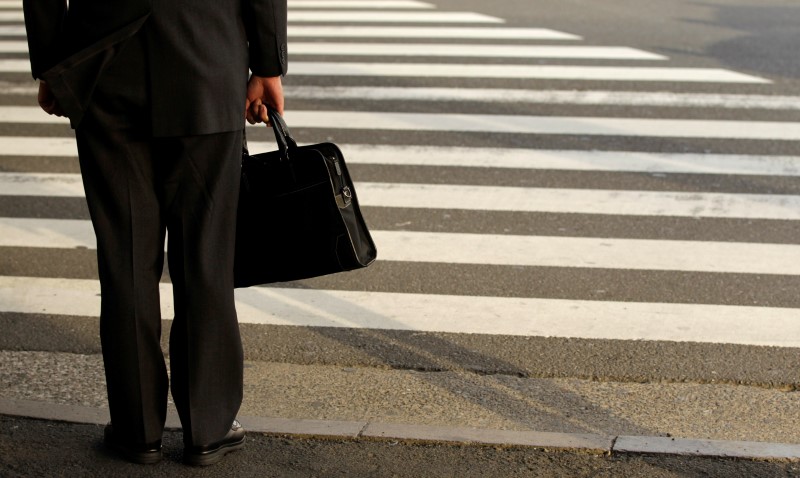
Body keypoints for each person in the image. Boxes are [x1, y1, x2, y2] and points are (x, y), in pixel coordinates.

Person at [22, 0, 287, 466]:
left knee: (125, 260)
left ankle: (136, 428)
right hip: (206, 54)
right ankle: (208, 428)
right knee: (206, 258)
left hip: (105, 60)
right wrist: (267, 63)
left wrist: (52, 62)